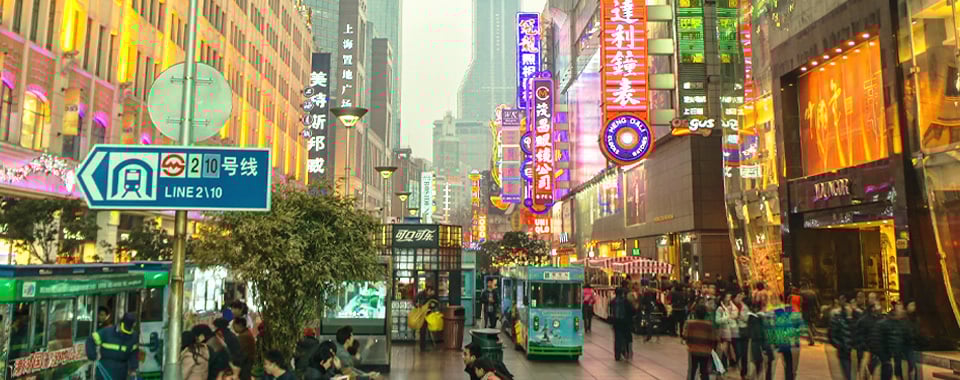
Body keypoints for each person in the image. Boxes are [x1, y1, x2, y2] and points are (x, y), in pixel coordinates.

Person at [85, 312, 139, 380]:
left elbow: (133, 353)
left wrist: (133, 369)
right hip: (105, 367)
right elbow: (91, 340)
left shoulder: (134, 336)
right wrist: (92, 355)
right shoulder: (107, 332)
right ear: (120, 324)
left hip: (122, 370)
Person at [683, 304, 717, 380]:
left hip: (693, 350)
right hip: (705, 351)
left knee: (692, 370)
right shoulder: (709, 325)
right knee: (704, 370)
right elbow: (713, 339)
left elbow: (685, 336)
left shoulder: (690, 323)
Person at [829, 301, 855, 380]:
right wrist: (840, 346)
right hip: (844, 351)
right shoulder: (838, 319)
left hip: (856, 352)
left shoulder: (856, 318)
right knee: (848, 375)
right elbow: (832, 335)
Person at [609, 286, 635, 361]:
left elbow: (610, 312)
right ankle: (625, 352)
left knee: (617, 338)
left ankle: (617, 355)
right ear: (622, 293)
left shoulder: (612, 301)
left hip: (616, 323)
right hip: (625, 322)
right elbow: (632, 311)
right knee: (626, 337)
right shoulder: (626, 301)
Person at [416, 286, 438, 351]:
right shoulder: (421, 294)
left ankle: (429, 344)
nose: (432, 293)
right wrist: (418, 306)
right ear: (428, 290)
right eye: (431, 292)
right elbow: (415, 301)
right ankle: (422, 347)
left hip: (429, 314)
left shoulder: (432, 296)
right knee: (422, 330)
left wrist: (433, 306)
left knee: (430, 329)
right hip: (422, 314)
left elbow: (435, 302)